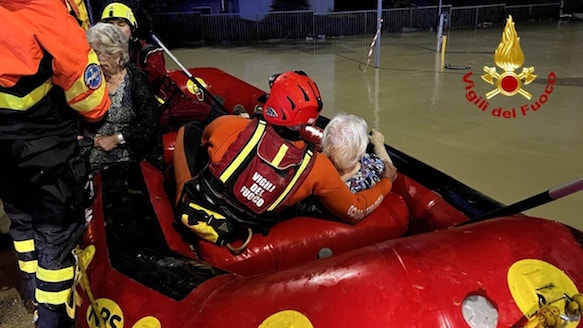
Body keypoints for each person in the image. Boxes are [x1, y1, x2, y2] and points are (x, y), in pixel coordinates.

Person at [173, 71, 398, 247]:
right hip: (247, 225)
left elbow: (203, 140)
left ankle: (181, 196)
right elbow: (355, 211)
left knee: (189, 129)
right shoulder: (317, 167)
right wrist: (387, 180)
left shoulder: (229, 125)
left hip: (203, 203)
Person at [0, 0, 110, 326]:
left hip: (3, 151)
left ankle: (31, 292)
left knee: (20, 220)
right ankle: (51, 318)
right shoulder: (49, 16)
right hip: (45, 148)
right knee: (55, 239)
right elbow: (91, 102)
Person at [100, 2, 225, 127]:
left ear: (132, 29)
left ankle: (225, 112)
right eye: (109, 25)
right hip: (136, 111)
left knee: (214, 116)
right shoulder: (95, 56)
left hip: (168, 104)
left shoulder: (149, 52)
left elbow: (152, 78)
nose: (114, 30)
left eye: (121, 24)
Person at [85, 22, 163, 173]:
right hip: (91, 151)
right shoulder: (88, 80)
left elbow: (149, 126)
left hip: (129, 155)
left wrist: (116, 139)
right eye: (93, 53)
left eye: (102, 53)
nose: (98, 60)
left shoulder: (136, 80)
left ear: (118, 55)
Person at [321, 113, 393, 193]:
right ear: (362, 150)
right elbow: (390, 169)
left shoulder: (316, 168)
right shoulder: (371, 171)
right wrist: (378, 144)